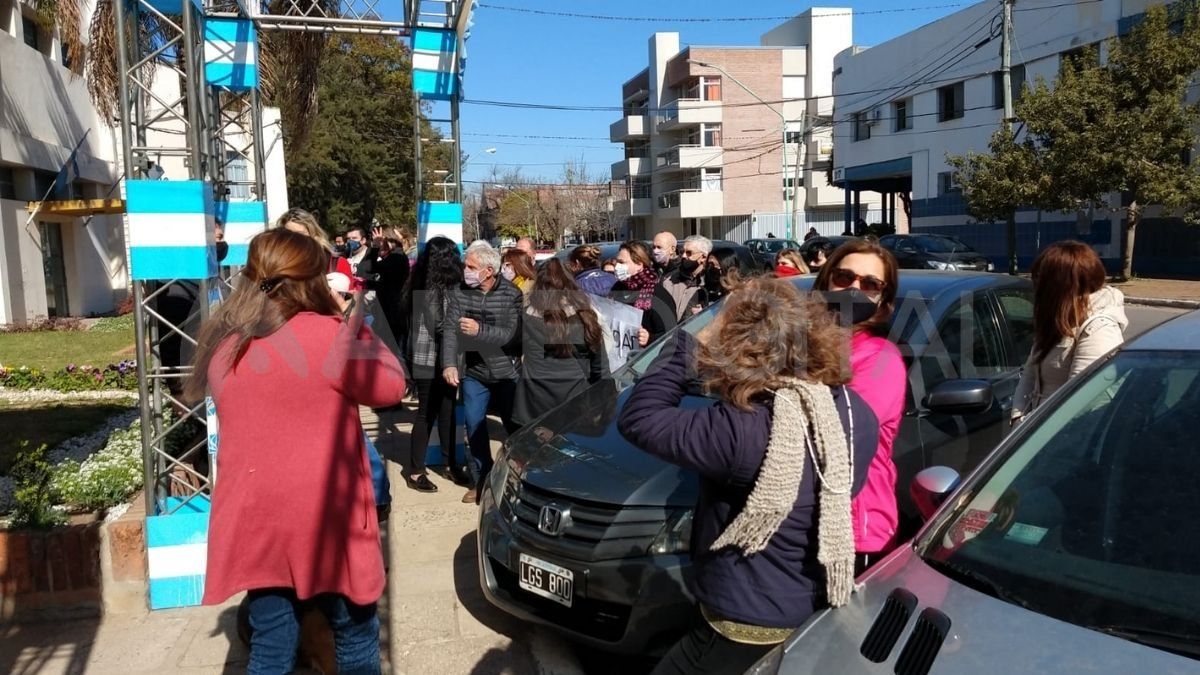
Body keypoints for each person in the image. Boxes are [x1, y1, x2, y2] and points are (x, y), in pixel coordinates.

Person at [618, 278, 879, 674]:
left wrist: (692, 341)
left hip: (738, 623)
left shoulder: (741, 427)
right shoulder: (854, 412)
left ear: (737, 348)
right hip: (813, 608)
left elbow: (639, 417)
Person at [187, 229, 404, 674]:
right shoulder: (330, 337)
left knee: (270, 644)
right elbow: (391, 386)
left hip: (257, 520)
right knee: (355, 636)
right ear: (312, 280)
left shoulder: (225, 345)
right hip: (328, 518)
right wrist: (353, 321)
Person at [812, 240, 907, 572]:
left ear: (882, 304)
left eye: (869, 284)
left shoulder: (880, 358)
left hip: (854, 531)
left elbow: (839, 435)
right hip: (801, 525)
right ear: (825, 281)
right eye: (844, 277)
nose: (854, 289)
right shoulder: (801, 344)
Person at [443, 240, 523, 504]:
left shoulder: (511, 294)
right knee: (474, 426)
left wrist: (480, 331)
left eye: (470, 266)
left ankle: (518, 480)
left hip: (506, 373)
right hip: (474, 373)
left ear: (488, 271)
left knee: (515, 429)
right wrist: (449, 363)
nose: (464, 270)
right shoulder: (459, 292)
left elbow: (511, 336)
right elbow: (451, 332)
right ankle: (483, 480)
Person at [1012, 241, 1127, 422]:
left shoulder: (1099, 328)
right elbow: (1029, 375)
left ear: (1061, 286)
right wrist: (1018, 417)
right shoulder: (1058, 320)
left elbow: (1079, 400)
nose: (1036, 289)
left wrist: (1028, 430)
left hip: (1065, 438)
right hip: (1036, 431)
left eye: (1041, 281)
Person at [402, 236, 469, 492]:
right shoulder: (430, 288)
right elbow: (439, 325)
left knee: (448, 412)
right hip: (428, 358)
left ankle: (450, 463)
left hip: (445, 357)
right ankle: (416, 470)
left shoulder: (443, 284)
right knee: (426, 413)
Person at [513, 259, 610, 425]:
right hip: (575, 403)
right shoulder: (585, 316)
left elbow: (511, 347)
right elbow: (600, 367)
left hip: (533, 404)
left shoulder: (525, 316)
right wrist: (604, 404)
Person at [644, 235, 712, 344]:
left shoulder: (710, 285)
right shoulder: (668, 280)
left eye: (689, 253)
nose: (684, 256)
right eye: (682, 252)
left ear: (703, 257)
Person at [277, 208, 353, 279]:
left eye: (300, 234)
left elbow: (350, 292)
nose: (295, 239)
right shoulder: (277, 266)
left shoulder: (335, 264)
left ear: (314, 234)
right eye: (289, 235)